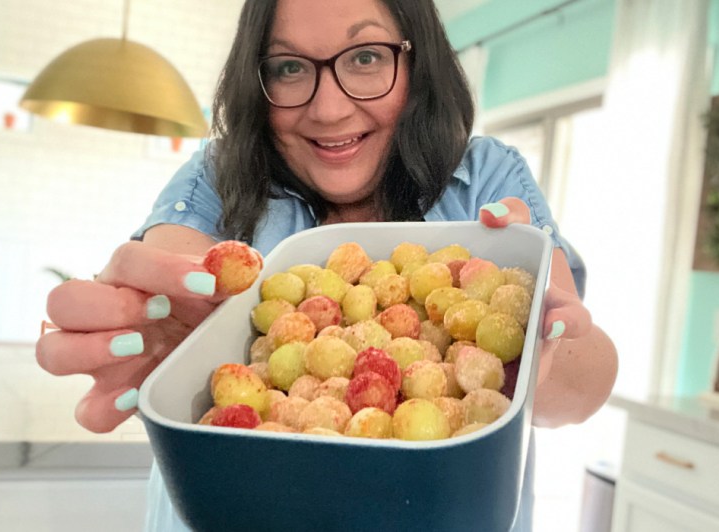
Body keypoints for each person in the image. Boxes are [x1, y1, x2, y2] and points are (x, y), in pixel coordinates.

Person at [35, 0, 618, 530]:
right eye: (288, 67)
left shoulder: (489, 174)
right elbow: (177, 263)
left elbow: (587, 384)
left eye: (365, 57)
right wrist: (157, 327)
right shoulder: (219, 172)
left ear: (420, 61)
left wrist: (544, 349)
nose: (329, 108)